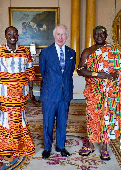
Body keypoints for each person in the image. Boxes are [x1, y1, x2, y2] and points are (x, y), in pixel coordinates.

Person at [77, 26, 121, 160]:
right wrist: (98, 74)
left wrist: (115, 73)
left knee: (107, 119)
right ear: (93, 35)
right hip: (93, 91)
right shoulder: (87, 51)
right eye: (96, 34)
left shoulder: (114, 51)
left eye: (102, 34)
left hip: (110, 93)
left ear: (106, 35)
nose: (99, 36)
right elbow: (80, 70)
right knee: (92, 118)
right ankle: (90, 144)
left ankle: (105, 146)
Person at [0, 26, 35, 158]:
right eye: (9, 34)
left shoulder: (25, 51)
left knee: (20, 118)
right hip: (4, 93)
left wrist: (31, 90)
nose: (12, 36)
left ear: (18, 36)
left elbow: (30, 73)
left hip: (21, 93)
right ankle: (7, 148)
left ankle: (22, 146)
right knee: (6, 119)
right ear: (5, 36)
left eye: (14, 33)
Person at [39, 24, 76, 159]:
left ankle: (61, 146)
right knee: (48, 122)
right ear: (54, 36)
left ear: (66, 37)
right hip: (49, 93)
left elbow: (69, 72)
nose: (61, 37)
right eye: (58, 34)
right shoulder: (46, 52)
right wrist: (53, 84)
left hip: (65, 93)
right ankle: (47, 148)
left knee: (62, 121)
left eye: (63, 34)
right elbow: (43, 72)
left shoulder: (72, 53)